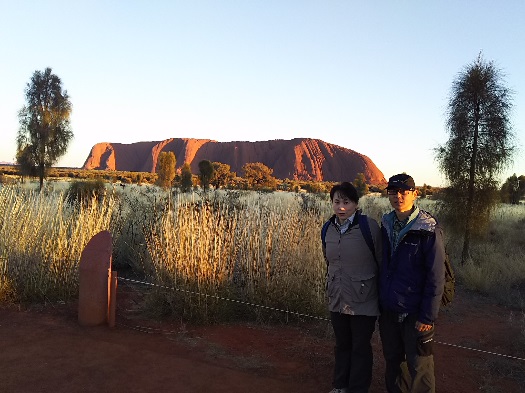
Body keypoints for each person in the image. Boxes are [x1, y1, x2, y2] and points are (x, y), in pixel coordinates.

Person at [378, 174, 446, 393]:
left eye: (403, 192)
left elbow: (436, 276)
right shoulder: (387, 223)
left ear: (414, 194)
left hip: (415, 312)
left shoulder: (428, 229)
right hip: (389, 309)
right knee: (393, 361)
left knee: (420, 366)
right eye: (393, 192)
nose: (398, 196)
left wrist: (428, 315)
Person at [322, 182, 382, 393]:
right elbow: (329, 261)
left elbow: (381, 260)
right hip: (337, 297)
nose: (341, 207)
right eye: (336, 202)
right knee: (342, 344)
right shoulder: (327, 228)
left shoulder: (369, 227)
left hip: (363, 299)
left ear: (356, 204)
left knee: (360, 347)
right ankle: (340, 386)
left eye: (346, 202)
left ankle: (358, 388)